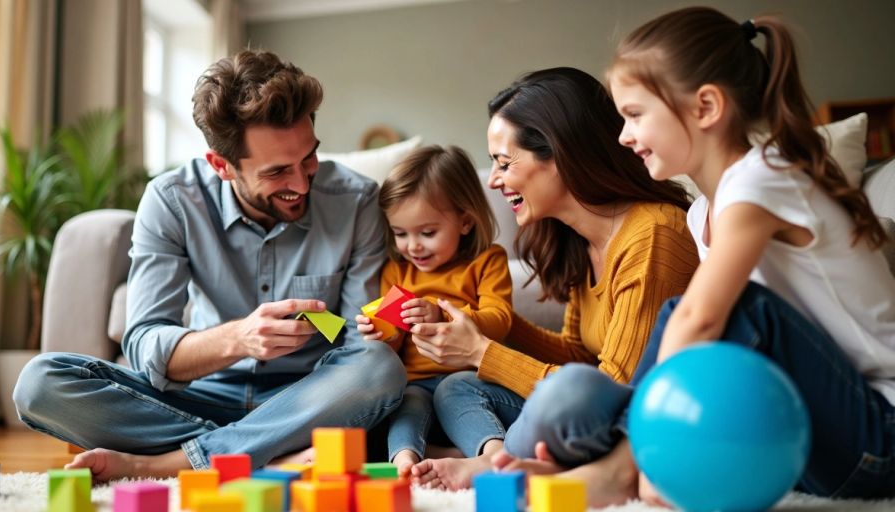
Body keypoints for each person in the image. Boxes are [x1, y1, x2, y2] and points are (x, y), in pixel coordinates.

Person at [493, 7, 895, 508]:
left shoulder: (764, 178)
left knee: (737, 308)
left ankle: (619, 470)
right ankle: (598, 463)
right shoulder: (703, 211)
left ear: (705, 107)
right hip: (799, 434)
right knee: (636, 351)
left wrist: (647, 455)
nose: (623, 135)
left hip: (878, 434)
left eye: (635, 115)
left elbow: (702, 321)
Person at [12, 50, 407, 481]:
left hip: (312, 398)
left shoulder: (356, 201)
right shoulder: (173, 201)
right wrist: (238, 338)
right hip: (202, 396)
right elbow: (145, 343)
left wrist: (348, 334)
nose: (300, 182)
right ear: (222, 165)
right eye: (277, 172)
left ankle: (183, 461)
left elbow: (356, 342)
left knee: (378, 367)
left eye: (308, 158)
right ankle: (264, 454)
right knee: (41, 383)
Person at [405, 67, 699, 490]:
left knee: (569, 395)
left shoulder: (653, 236)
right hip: (583, 410)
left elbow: (610, 392)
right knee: (459, 387)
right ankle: (499, 454)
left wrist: (483, 351)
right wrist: (486, 325)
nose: (493, 179)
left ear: (560, 155)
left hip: (632, 420)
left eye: (504, 163)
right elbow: (577, 353)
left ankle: (496, 465)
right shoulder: (580, 242)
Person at [354, 145, 513, 478]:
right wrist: (380, 333)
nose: (413, 245)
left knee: (453, 390)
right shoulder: (396, 271)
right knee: (406, 403)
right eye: (400, 233)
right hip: (416, 383)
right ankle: (406, 464)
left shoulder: (486, 261)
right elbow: (394, 345)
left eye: (427, 233)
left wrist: (442, 316)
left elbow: (500, 321)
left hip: (472, 381)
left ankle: (494, 456)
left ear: (465, 221)